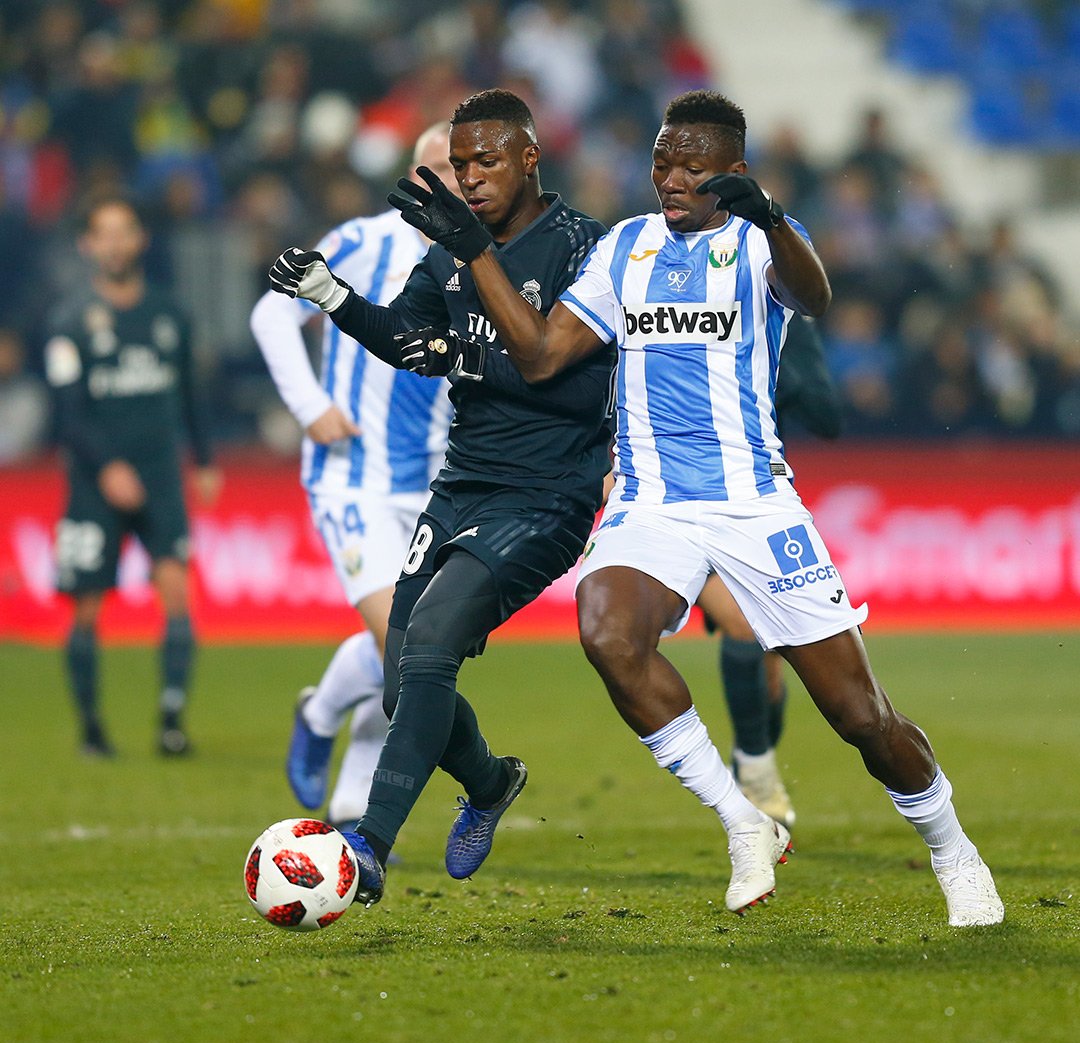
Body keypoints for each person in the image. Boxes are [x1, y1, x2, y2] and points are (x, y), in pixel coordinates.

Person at [394, 89, 1004, 927]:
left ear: (732, 172)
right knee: (607, 631)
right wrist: (473, 251)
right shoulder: (625, 248)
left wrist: (778, 220)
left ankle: (951, 849)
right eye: (660, 162)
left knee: (861, 718)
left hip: (755, 505)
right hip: (652, 504)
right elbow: (538, 356)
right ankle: (739, 817)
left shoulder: (760, 247)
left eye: (691, 166)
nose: (670, 179)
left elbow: (814, 296)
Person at [267, 89, 615, 906]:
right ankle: (492, 783)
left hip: (547, 494)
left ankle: (368, 847)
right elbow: (407, 340)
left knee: (426, 645)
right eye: (459, 164)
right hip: (461, 484)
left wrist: (463, 336)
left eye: (485, 159)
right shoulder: (453, 246)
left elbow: (555, 373)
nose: (469, 176)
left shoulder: (583, 248)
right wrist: (332, 297)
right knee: (401, 684)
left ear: (531, 156)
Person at [250, 124, 455, 831]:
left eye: (463, 170)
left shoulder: (485, 260)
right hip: (354, 474)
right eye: (435, 169)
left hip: (434, 481)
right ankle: (332, 735)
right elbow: (271, 311)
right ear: (411, 176)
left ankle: (335, 762)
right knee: (397, 640)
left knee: (412, 641)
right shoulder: (365, 241)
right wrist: (311, 406)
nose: (450, 183)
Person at [45, 193, 220, 757]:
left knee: (175, 591)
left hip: (161, 474)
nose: (116, 243)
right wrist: (108, 467)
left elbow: (192, 393)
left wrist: (206, 460)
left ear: (140, 240)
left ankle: (171, 722)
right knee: (88, 604)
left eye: (126, 231)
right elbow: (66, 417)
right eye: (105, 233)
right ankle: (92, 729)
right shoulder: (69, 322)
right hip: (95, 483)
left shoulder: (169, 313)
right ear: (88, 245)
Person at [698, 312, 842, 830]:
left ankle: (752, 755)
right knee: (741, 625)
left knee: (771, 663)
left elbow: (829, 419)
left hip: (753, 501)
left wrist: (782, 369)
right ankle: (756, 773)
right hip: (670, 495)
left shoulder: (783, 319)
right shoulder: (659, 308)